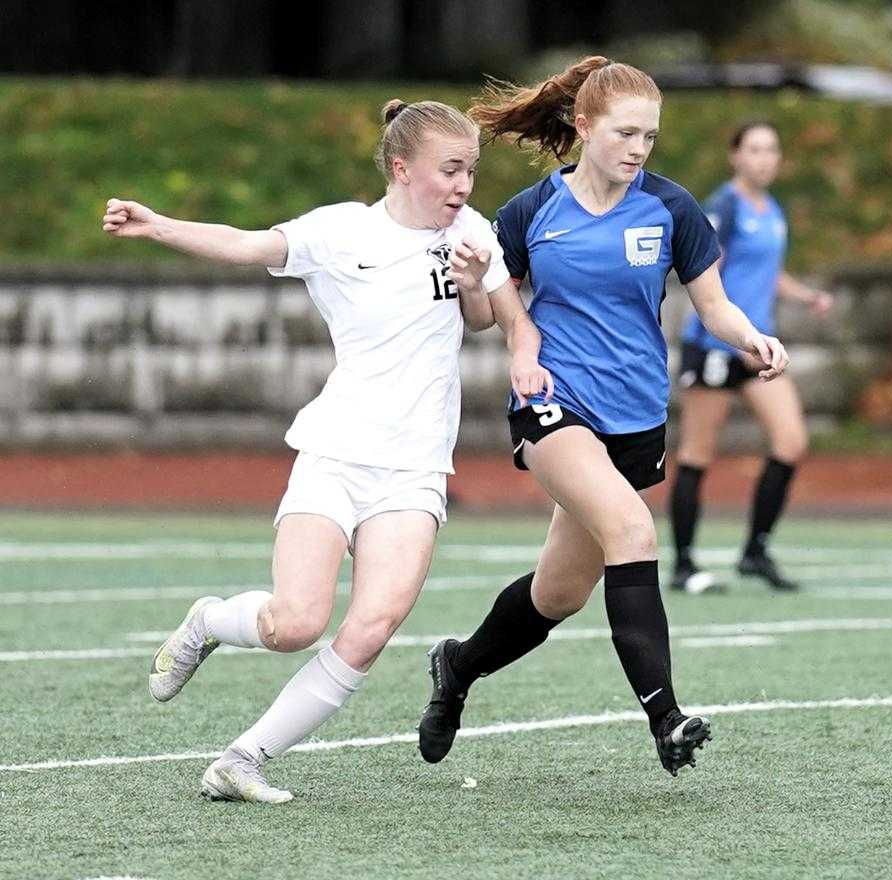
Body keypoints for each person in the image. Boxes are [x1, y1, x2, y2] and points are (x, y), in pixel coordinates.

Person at [102, 99, 552, 803]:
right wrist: (157, 225)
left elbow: (497, 319)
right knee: (295, 623)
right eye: (451, 170)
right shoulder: (341, 231)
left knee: (369, 631)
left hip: (415, 468)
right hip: (337, 453)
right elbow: (246, 243)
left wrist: (483, 298)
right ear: (402, 169)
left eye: (471, 170)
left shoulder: (473, 232)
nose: (464, 185)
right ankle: (208, 621)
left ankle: (243, 759)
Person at [415, 58, 789, 777]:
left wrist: (753, 339)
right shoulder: (529, 213)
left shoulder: (671, 207)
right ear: (583, 126)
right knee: (631, 529)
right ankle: (666, 718)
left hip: (637, 414)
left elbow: (713, 305)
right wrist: (470, 286)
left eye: (649, 136)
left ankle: (458, 666)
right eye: (625, 132)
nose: (638, 148)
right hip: (552, 405)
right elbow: (490, 311)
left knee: (559, 593)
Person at [670, 121, 835, 594]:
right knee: (697, 454)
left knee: (791, 440)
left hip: (757, 351)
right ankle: (683, 564)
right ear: (735, 157)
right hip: (715, 350)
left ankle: (755, 551)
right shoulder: (724, 206)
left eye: (772, 149)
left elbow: (766, 270)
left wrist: (807, 297)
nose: (764, 158)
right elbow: (706, 273)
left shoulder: (773, 210)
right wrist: (731, 339)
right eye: (754, 149)